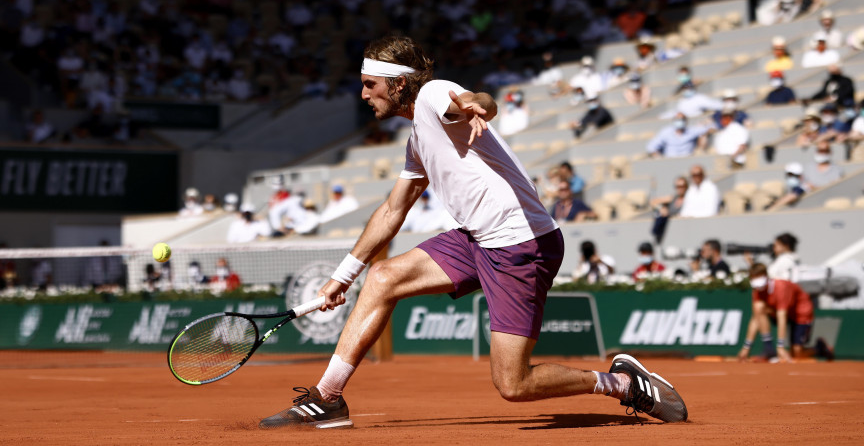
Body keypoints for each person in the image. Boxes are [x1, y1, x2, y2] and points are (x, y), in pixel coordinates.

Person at [258, 35, 687, 429]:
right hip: (478, 238)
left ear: (399, 85)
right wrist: (342, 277)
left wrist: (479, 105)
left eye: (371, 84)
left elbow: (470, 98)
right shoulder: (417, 141)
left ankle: (626, 385)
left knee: (513, 384)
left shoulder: (429, 95)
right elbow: (392, 211)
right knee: (383, 277)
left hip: (521, 243)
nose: (364, 93)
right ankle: (328, 398)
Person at [737, 263, 817, 363]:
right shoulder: (757, 291)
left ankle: (819, 349)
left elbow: (782, 316)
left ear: (766, 276)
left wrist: (780, 346)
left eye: (758, 277)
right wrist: (746, 347)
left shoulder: (781, 287)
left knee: (797, 352)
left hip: (800, 312)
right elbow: (756, 318)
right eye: (753, 278)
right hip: (778, 311)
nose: (756, 281)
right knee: (758, 307)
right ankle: (769, 348)